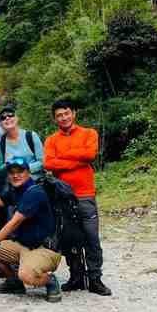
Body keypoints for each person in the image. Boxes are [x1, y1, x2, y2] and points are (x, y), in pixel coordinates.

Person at [43, 99, 111, 296]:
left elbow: (90, 154)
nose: (63, 118)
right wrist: (76, 159)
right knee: (69, 237)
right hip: (62, 196)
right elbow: (48, 163)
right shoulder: (51, 140)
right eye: (59, 115)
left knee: (91, 237)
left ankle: (95, 278)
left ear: (74, 113)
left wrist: (63, 158)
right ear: (55, 118)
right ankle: (76, 277)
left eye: (66, 113)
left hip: (85, 194)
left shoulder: (89, 133)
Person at [0, 158, 62, 302]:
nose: (15, 175)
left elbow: (14, 222)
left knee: (26, 275)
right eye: (11, 172)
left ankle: (49, 280)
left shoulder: (34, 192)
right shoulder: (15, 191)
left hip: (43, 249)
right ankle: (14, 282)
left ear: (28, 173)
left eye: (20, 171)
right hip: (23, 245)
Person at [0, 105, 44, 182]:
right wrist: (8, 164)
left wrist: (24, 168)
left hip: (34, 183)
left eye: (10, 115)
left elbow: (43, 162)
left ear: (17, 118)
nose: (7, 118)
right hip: (13, 187)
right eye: (3, 117)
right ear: (0, 123)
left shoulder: (31, 136)